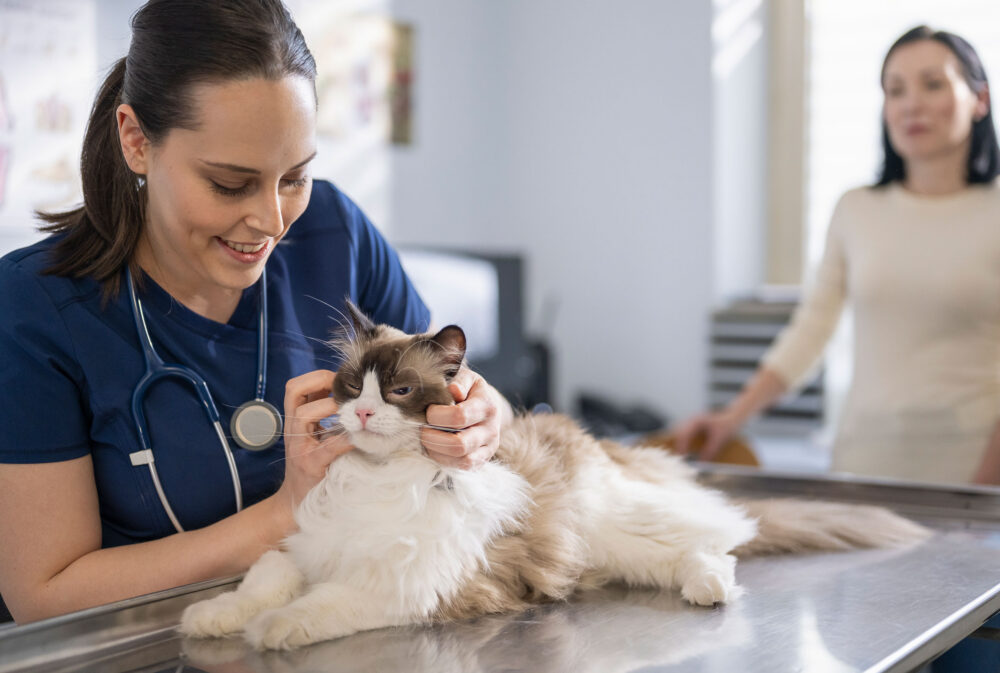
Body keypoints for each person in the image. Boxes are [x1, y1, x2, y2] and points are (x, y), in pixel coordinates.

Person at [0, 0, 509, 624]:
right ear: (136, 141)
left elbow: (458, 390)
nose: (271, 222)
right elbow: (44, 594)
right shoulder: (34, 309)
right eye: (229, 183)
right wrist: (283, 514)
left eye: (294, 177)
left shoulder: (336, 232)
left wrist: (484, 420)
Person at [675, 25, 1000, 487]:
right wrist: (732, 417)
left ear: (979, 98)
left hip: (973, 473)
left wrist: (986, 487)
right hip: (863, 463)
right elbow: (812, 330)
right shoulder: (856, 209)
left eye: (933, 84)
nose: (911, 104)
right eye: (895, 90)